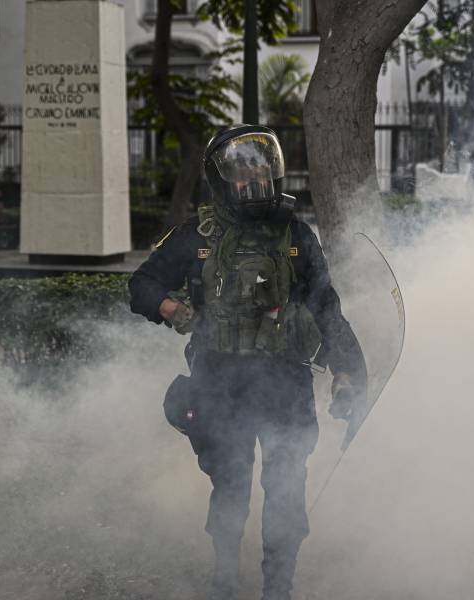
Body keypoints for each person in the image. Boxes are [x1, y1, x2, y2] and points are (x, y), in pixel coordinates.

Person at [128, 124, 367, 600]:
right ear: (221, 181)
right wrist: (174, 310)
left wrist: (347, 372)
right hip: (219, 382)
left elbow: (327, 309)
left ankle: (278, 585)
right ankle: (224, 575)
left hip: (285, 385)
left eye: (261, 173)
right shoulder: (195, 236)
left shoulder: (297, 236)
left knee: (285, 485)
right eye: (242, 175)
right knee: (231, 481)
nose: (253, 184)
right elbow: (142, 286)